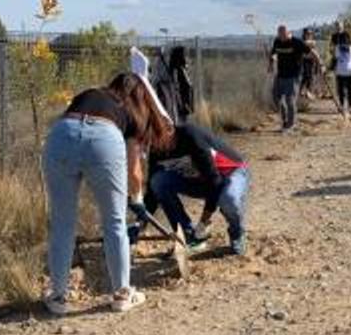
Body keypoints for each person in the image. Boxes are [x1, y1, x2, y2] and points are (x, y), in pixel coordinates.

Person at [42, 72, 172, 315]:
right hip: (104, 139)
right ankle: (122, 294)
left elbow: (76, 126)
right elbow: (134, 171)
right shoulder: (132, 114)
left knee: (62, 223)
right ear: (140, 96)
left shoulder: (90, 94)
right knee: (114, 222)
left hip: (62, 134)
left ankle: (58, 297)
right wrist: (138, 200)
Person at [148, 122, 250, 256]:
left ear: (170, 131)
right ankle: (188, 236)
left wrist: (203, 222)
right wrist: (139, 223)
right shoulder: (156, 148)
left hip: (230, 173)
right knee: (158, 182)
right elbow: (151, 194)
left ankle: (237, 233)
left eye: (158, 139)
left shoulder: (190, 135)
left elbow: (214, 182)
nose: (157, 146)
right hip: (199, 180)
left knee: (229, 200)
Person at [269, 24, 308, 133]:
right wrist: (271, 63)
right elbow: (273, 53)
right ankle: (285, 120)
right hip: (281, 74)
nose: (281, 36)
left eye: (283, 34)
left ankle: (291, 125)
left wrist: (321, 64)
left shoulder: (296, 42)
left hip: (294, 75)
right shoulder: (277, 41)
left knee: (289, 99)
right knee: (275, 96)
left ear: (288, 33)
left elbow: (311, 52)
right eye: (279, 33)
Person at [155, 45, 194, 121]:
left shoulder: (178, 69)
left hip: (179, 101)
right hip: (178, 100)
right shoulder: (177, 69)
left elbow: (187, 87)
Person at [334, 29, 351, 120]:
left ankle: (343, 106)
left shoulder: (339, 47)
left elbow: (337, 57)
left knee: (343, 91)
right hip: (349, 71)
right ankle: (348, 107)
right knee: (349, 90)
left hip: (343, 71)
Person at [300, 27, 322, 99]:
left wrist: (318, 61)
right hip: (304, 61)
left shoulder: (312, 42)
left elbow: (314, 49)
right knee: (306, 75)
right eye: (307, 34)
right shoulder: (303, 42)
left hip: (312, 61)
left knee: (311, 76)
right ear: (304, 34)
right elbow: (308, 44)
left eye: (310, 34)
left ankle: (308, 91)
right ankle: (303, 91)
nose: (309, 35)